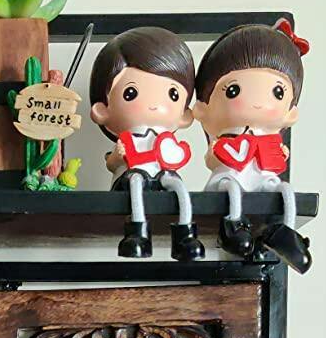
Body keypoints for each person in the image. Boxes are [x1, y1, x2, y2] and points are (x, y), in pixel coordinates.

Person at [192, 18, 311, 272]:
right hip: (230, 176)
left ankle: (285, 233)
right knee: (231, 189)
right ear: (202, 108)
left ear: (290, 113)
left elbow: (274, 162)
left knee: (283, 189)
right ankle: (233, 226)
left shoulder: (270, 140)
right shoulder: (225, 139)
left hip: (261, 177)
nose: (258, 103)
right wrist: (215, 155)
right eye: (233, 90)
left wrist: (279, 153)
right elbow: (212, 159)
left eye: (277, 93)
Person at [88, 26, 205, 262]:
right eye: (130, 93)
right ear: (102, 110)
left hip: (162, 174)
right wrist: (117, 157)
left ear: (185, 115)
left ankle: (185, 235)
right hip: (131, 175)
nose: (153, 104)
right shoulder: (127, 140)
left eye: (172, 94)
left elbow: (175, 157)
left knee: (178, 186)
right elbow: (113, 164)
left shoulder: (167, 141)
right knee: (135, 181)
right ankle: (137, 232)